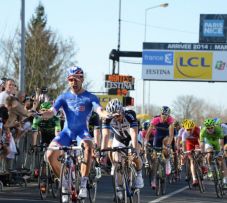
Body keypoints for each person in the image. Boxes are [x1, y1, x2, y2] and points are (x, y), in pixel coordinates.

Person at [42, 66, 111, 201]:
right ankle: (64, 183)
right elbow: (51, 112)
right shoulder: (63, 97)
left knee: (88, 147)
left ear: (82, 80)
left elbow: (100, 110)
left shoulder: (90, 96)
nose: (74, 82)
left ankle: (84, 184)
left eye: (77, 79)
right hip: (66, 133)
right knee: (50, 154)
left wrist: (109, 114)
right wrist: (40, 114)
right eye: (71, 79)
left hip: (82, 132)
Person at [101, 99, 143, 200]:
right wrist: (102, 152)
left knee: (134, 156)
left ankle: (138, 175)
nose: (116, 118)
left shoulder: (130, 114)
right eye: (113, 116)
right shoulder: (107, 118)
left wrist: (134, 150)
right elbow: (106, 135)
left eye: (118, 116)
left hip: (133, 135)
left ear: (122, 111)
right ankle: (119, 190)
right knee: (117, 160)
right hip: (119, 137)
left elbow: (133, 134)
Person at [29, 102, 61, 191]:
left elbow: (57, 135)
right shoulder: (37, 119)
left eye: (47, 111)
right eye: (43, 111)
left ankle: (57, 170)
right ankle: (44, 181)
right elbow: (34, 134)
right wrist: (33, 146)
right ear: (40, 112)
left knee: (55, 155)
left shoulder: (55, 119)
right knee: (44, 158)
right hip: (44, 137)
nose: (45, 114)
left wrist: (56, 146)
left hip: (54, 137)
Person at [145, 106, 174, 189]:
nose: (164, 116)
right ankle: (154, 179)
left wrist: (169, 144)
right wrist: (146, 142)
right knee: (155, 158)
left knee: (165, 147)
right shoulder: (155, 120)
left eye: (166, 114)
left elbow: (171, 134)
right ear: (160, 114)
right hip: (158, 136)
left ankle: (167, 161)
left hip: (166, 135)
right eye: (162, 114)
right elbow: (148, 133)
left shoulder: (170, 120)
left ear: (168, 115)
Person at [200, 118, 227, 189]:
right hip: (209, 142)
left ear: (214, 126)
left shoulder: (218, 129)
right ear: (205, 128)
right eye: (208, 128)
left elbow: (221, 143)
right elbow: (202, 144)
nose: (210, 129)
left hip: (217, 142)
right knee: (209, 153)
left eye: (211, 127)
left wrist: (222, 151)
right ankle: (210, 168)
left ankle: (225, 180)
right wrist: (202, 154)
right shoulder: (202, 132)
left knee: (221, 160)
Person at [182, 120, 203, 186]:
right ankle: (194, 179)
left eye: (190, 130)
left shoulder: (198, 130)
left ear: (193, 128)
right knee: (191, 160)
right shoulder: (184, 133)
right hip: (189, 144)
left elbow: (200, 142)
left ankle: (201, 165)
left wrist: (201, 151)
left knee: (197, 153)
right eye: (188, 130)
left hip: (197, 143)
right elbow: (183, 145)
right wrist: (184, 153)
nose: (189, 131)